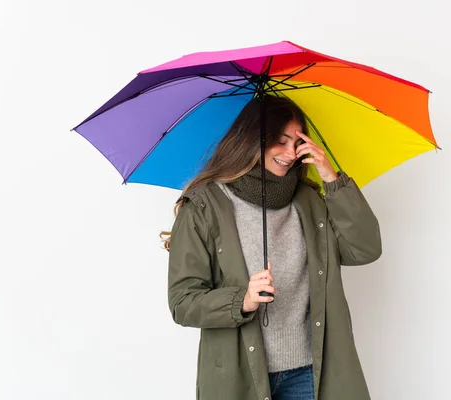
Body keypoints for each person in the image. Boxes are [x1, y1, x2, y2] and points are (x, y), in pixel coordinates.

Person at [161, 95, 382, 400]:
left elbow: (364, 249)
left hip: (310, 371)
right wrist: (242, 300)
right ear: (253, 140)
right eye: (280, 141)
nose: (290, 153)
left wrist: (332, 179)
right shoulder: (204, 206)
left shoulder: (309, 200)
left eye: (298, 142)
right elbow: (182, 302)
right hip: (241, 377)